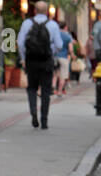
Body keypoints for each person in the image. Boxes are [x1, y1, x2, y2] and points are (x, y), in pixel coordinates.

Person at [18, 1, 63, 130]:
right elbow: (59, 45)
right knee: (45, 91)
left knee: (31, 88)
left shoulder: (27, 23)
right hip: (47, 62)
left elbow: (21, 43)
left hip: (31, 61)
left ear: (35, 10)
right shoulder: (53, 25)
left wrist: (23, 58)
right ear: (47, 11)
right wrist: (50, 51)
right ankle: (44, 120)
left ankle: (33, 111)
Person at [54, 18, 70, 96]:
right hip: (64, 57)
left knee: (55, 74)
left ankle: (53, 88)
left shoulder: (55, 34)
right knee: (63, 76)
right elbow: (70, 49)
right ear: (65, 27)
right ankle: (60, 91)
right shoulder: (67, 36)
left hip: (55, 57)